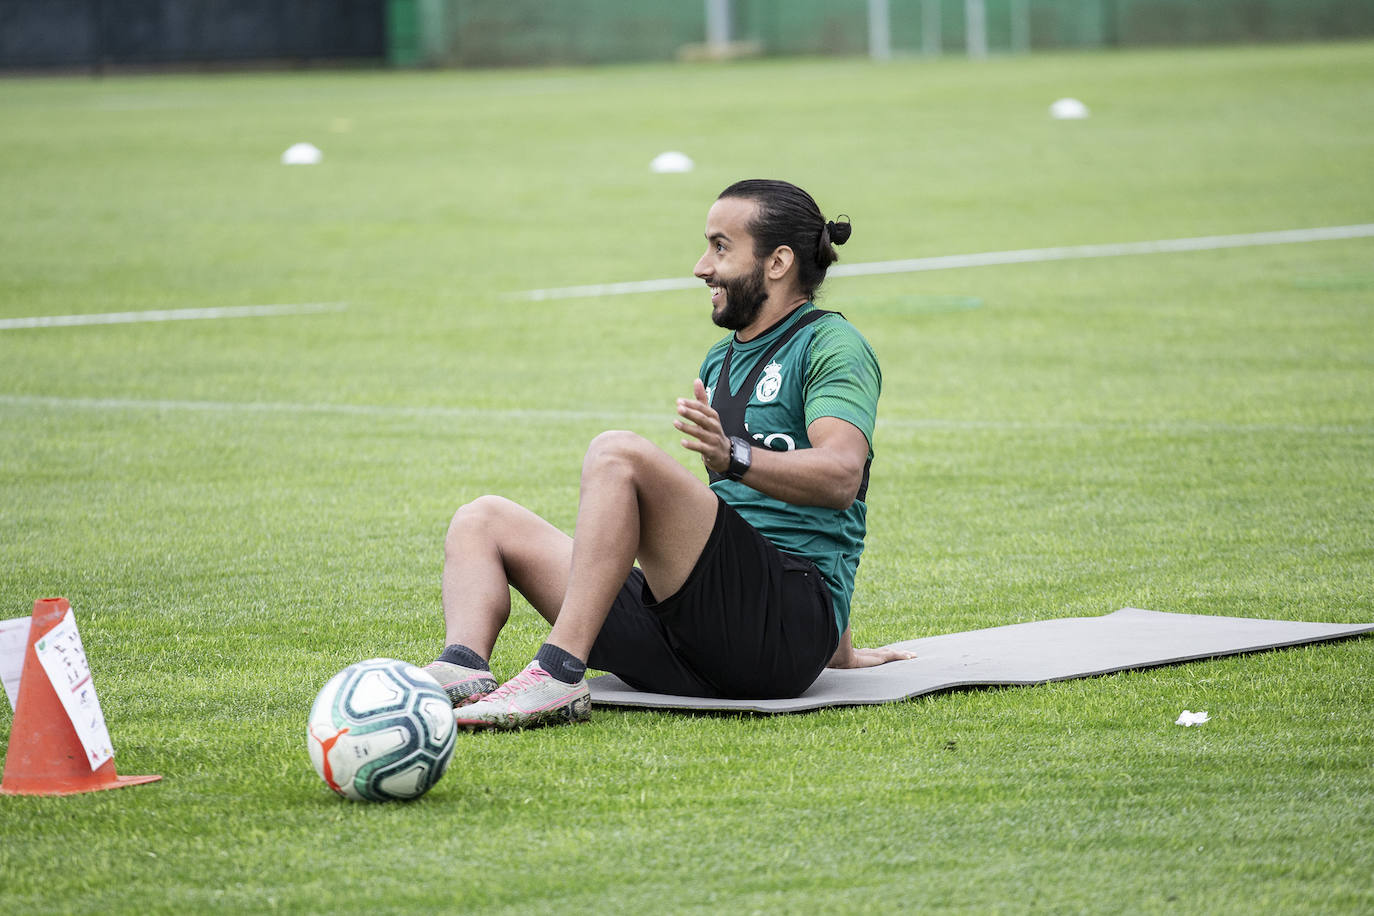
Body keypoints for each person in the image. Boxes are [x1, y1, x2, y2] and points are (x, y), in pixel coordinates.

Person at [423, 179, 913, 730]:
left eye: (720, 247)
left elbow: (843, 479)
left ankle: (557, 674)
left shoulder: (832, 346)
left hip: (781, 633)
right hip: (703, 634)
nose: (702, 267)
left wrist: (735, 457)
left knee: (618, 455)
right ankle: (459, 671)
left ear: (778, 262)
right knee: (482, 520)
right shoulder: (720, 359)